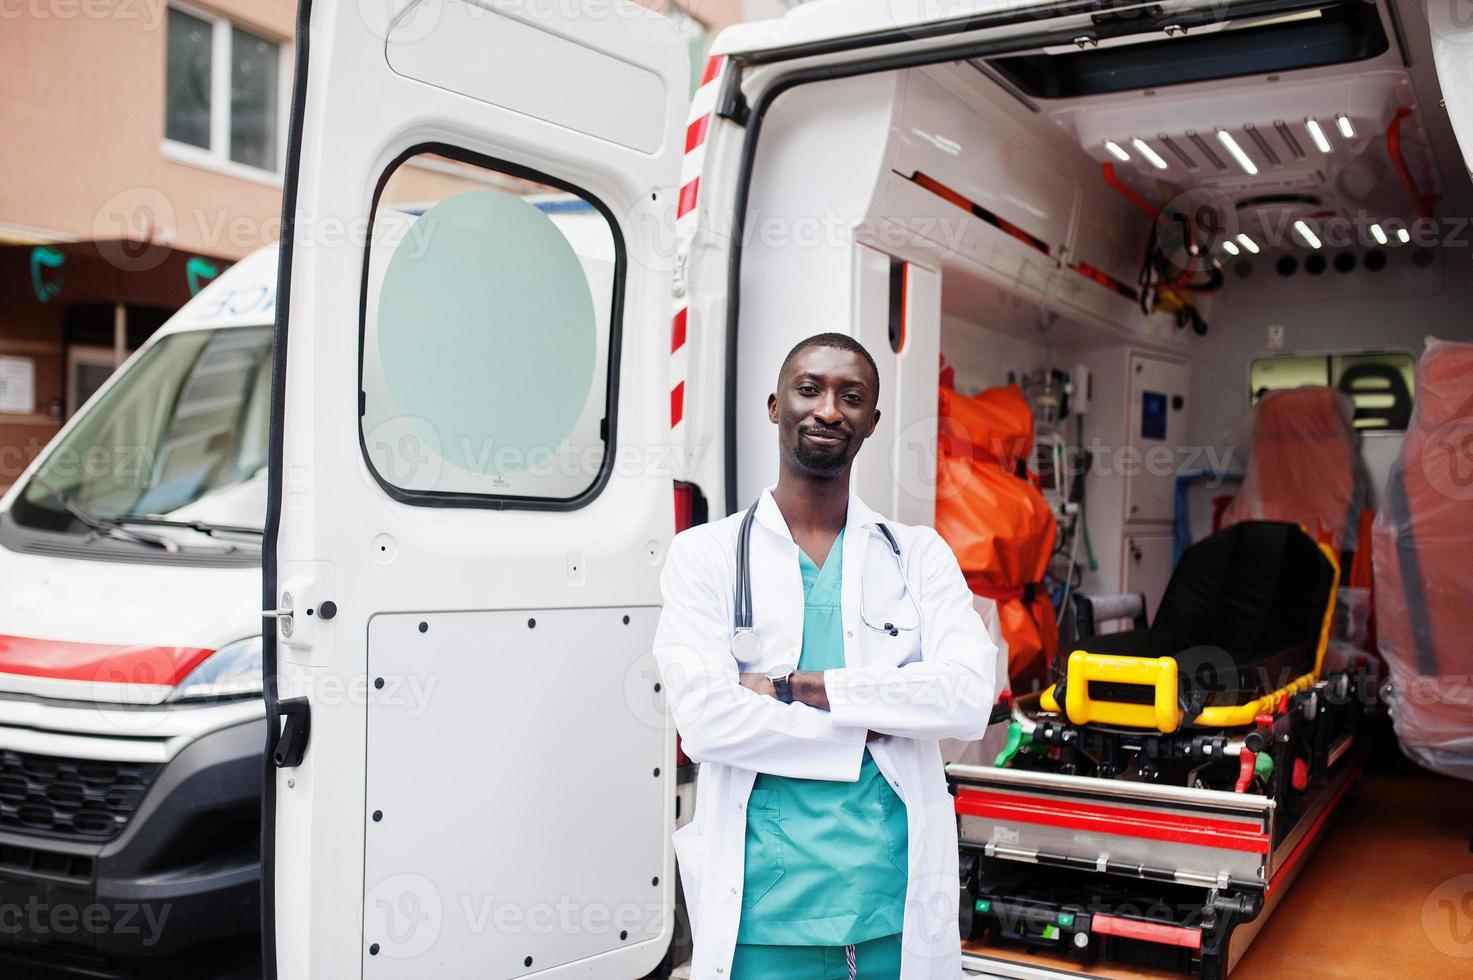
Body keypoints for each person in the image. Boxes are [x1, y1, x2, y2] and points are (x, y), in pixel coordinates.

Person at [654, 333, 998, 979]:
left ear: (871, 421)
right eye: (808, 389)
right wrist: (879, 722)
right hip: (763, 914)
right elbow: (704, 720)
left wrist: (799, 688)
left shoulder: (917, 555)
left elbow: (966, 697)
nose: (828, 410)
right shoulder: (705, 555)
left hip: (890, 907)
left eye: (851, 396)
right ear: (773, 405)